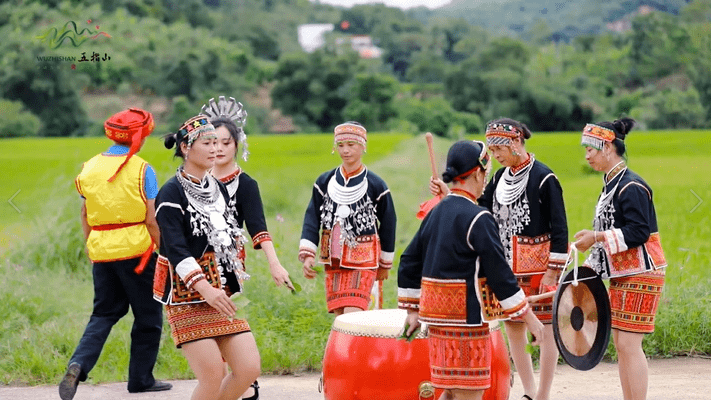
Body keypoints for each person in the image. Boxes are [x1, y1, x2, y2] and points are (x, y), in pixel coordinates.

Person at [430, 119, 568, 400]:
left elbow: (560, 227)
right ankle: (529, 390)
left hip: (540, 266)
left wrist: (553, 273)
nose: (495, 156)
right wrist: (450, 193)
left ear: (515, 142)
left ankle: (544, 393)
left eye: (498, 149)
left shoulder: (545, 178)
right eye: (491, 151)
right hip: (505, 265)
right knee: (514, 326)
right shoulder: (497, 179)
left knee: (545, 329)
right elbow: (479, 206)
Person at [399, 140, 544, 400]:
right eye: (485, 175)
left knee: (451, 388)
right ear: (477, 173)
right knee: (469, 391)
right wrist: (530, 318)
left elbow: (409, 259)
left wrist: (413, 310)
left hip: (436, 318)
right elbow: (500, 275)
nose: (485, 181)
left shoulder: (436, 211)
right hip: (466, 320)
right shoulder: (479, 218)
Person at [60, 108, 172, 400]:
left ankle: (78, 364)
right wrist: (166, 251)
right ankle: (140, 379)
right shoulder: (142, 169)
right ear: (138, 137)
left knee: (104, 313)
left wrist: (92, 246)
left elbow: (85, 213)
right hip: (138, 253)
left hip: (102, 249)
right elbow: (150, 218)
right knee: (148, 316)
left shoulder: (89, 167)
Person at [154, 115, 262, 400]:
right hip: (187, 296)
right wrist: (205, 288)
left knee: (248, 368)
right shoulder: (171, 193)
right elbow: (176, 250)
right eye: (207, 143)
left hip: (223, 292)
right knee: (212, 375)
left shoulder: (220, 190)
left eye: (217, 142)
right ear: (186, 148)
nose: (215, 149)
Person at [202, 96, 294, 400]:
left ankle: (239, 377)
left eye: (225, 143)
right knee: (205, 327)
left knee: (227, 320)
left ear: (237, 144)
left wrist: (274, 263)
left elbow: (258, 228)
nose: (218, 149)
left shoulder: (246, 184)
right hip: (195, 265)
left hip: (228, 264)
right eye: (212, 142)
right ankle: (225, 379)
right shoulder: (194, 183)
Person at [573, 118, 666, 400]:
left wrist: (597, 237)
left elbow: (638, 233)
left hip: (643, 270)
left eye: (592, 148)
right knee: (621, 342)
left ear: (609, 147)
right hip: (623, 272)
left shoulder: (631, 186)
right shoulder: (611, 185)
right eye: (586, 149)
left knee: (628, 343)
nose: (587, 154)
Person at [299, 121, 396, 316]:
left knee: (354, 315)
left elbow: (388, 222)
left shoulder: (376, 184)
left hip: (364, 261)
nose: (345, 150)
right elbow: (312, 217)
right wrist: (309, 254)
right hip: (333, 261)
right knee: (341, 317)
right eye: (341, 145)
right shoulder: (324, 182)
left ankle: (360, 347)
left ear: (363, 146)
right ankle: (344, 348)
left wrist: (385, 263)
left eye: (351, 145)